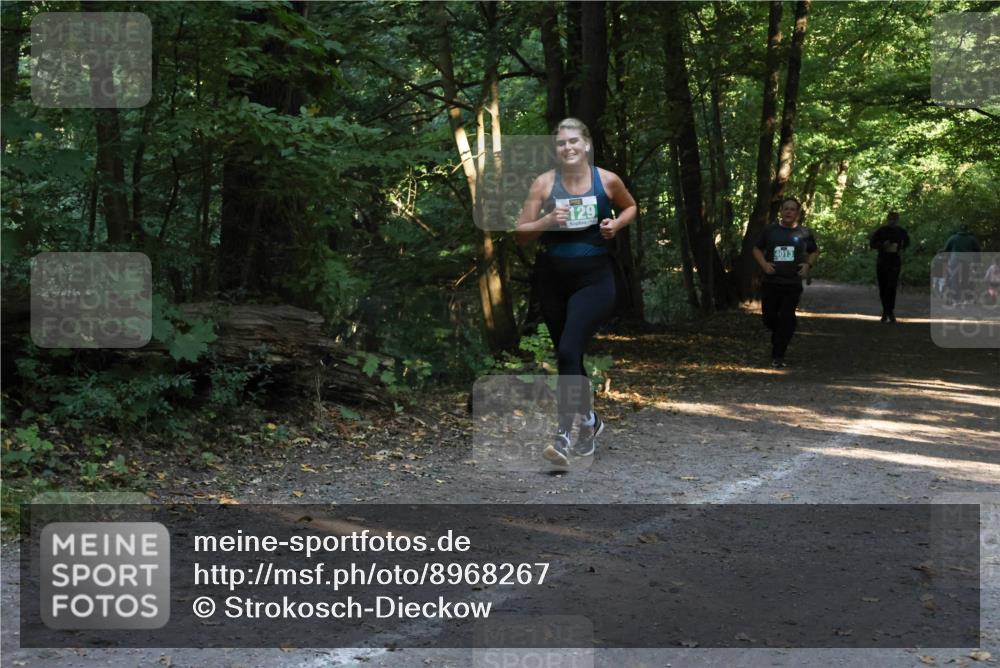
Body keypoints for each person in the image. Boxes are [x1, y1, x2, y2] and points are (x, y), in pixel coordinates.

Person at [514, 118, 637, 467]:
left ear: (586, 145)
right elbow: (521, 234)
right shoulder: (543, 184)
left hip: (595, 279)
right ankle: (591, 422)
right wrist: (548, 221)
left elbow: (631, 206)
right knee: (569, 358)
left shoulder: (607, 180)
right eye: (560, 143)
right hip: (552, 281)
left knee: (569, 348)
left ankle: (563, 435)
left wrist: (617, 224)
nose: (567, 148)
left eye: (573, 141)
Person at [752, 197, 819, 368]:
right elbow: (756, 249)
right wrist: (764, 264)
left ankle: (778, 355)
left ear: (798, 213)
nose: (789, 212)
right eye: (786, 209)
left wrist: (807, 265)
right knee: (769, 318)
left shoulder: (804, 233)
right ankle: (780, 333)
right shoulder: (770, 231)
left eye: (792, 209)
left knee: (787, 316)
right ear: (781, 211)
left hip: (792, 283)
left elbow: (814, 251)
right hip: (771, 281)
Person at [868, 211, 910, 323]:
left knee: (891, 287)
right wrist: (882, 245)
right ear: (887, 219)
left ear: (897, 220)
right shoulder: (881, 231)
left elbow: (907, 242)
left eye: (894, 219)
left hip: (895, 261)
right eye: (890, 219)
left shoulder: (901, 232)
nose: (892, 221)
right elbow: (872, 243)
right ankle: (886, 310)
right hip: (882, 260)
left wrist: (900, 248)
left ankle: (889, 311)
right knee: (883, 287)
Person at [944, 224, 981, 305]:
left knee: (954, 280)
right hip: (967, 261)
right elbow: (978, 251)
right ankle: (965, 299)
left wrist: (946, 261)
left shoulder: (953, 238)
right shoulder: (972, 239)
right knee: (966, 279)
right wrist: (976, 262)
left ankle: (956, 300)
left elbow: (946, 249)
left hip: (955, 260)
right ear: (967, 230)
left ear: (959, 229)